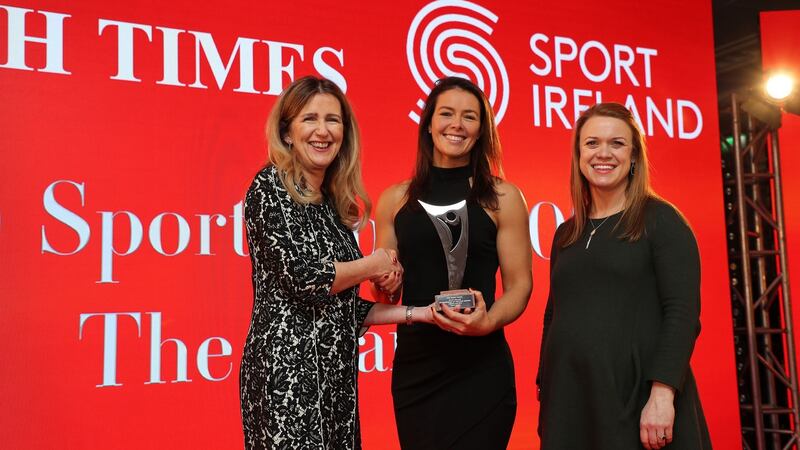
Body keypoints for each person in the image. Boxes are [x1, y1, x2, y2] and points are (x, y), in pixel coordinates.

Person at [240, 76, 435, 450]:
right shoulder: (270, 186)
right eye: (309, 119)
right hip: (286, 381)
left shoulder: (333, 208)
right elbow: (305, 279)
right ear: (287, 132)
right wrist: (373, 263)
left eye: (333, 120)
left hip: (335, 383)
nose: (322, 131)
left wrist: (421, 312)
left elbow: (342, 308)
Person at [537, 102, 712, 449]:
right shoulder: (565, 233)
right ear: (578, 154)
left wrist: (662, 394)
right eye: (592, 143)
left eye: (617, 143)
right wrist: (546, 386)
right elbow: (554, 314)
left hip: (636, 400)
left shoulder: (662, 221)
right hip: (571, 402)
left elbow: (682, 314)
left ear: (634, 156)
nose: (604, 153)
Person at [372, 76, 533, 449]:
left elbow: (521, 285)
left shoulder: (504, 197)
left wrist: (488, 321)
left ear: (482, 130)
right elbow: (381, 288)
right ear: (428, 123)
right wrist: (385, 282)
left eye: (469, 117)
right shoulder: (393, 200)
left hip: (481, 368)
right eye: (446, 113)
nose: (456, 125)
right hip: (417, 370)